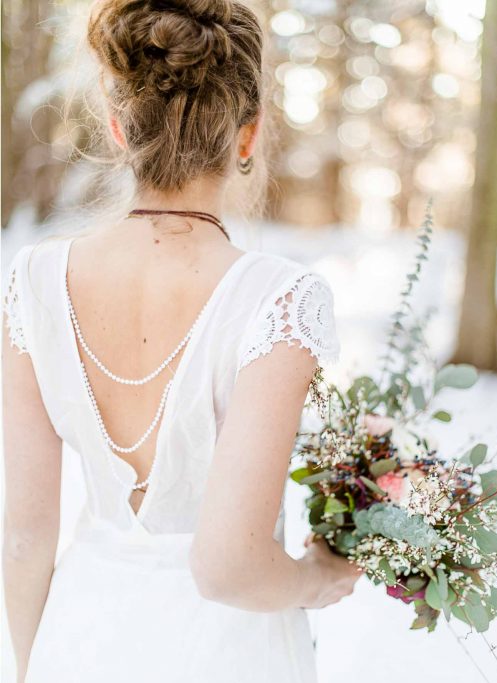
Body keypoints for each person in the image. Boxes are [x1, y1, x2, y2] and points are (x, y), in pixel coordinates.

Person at [1, 0, 362, 680]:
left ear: (117, 129)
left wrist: (32, 664)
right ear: (249, 136)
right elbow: (229, 566)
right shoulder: (281, 299)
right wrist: (318, 577)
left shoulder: (33, 282)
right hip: (226, 651)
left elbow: (24, 535)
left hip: (80, 637)